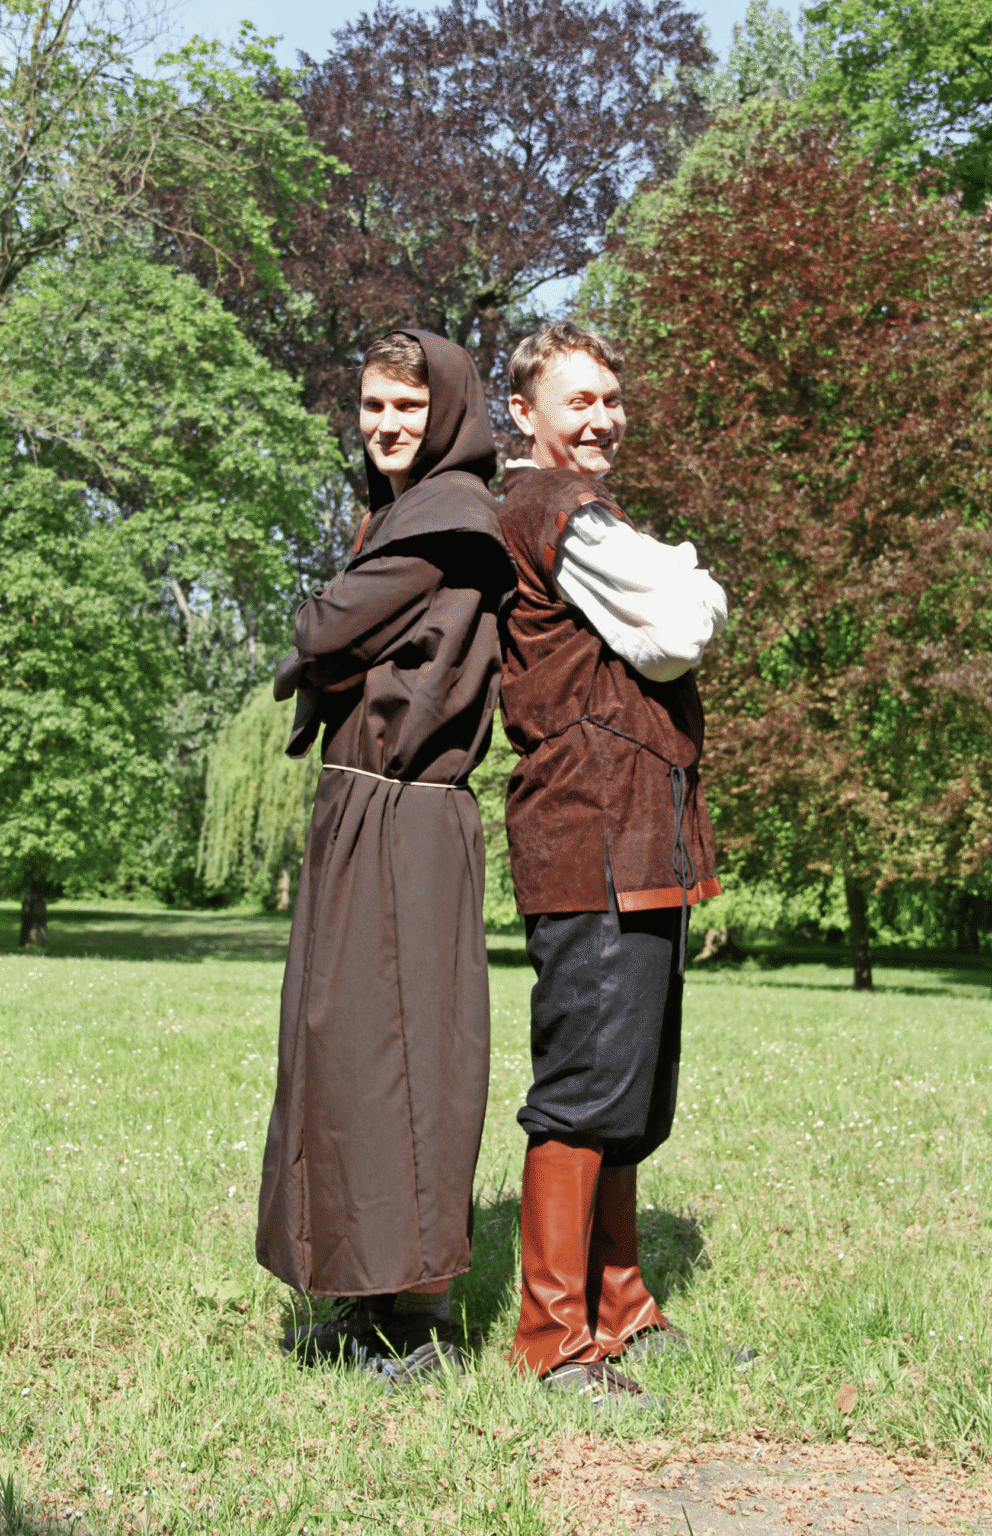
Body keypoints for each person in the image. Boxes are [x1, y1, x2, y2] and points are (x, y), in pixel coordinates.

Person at [257, 329, 515, 1386]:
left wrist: (321, 648)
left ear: (446, 411)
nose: (386, 425)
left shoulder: (449, 516)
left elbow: (324, 627)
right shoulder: (402, 516)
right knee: (347, 1050)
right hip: (364, 806)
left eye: (407, 406)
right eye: (372, 406)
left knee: (409, 1063)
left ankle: (422, 1321)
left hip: (407, 816)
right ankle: (362, 1299)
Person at [497, 321, 729, 1406]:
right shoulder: (556, 508)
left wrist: (680, 582)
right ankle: (552, 1340)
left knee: (630, 1088)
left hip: (633, 834)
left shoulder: (589, 511)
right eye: (577, 400)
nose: (601, 418)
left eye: (610, 398)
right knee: (586, 1087)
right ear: (524, 413)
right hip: (589, 833)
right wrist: (696, 580)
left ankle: (623, 1311)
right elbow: (678, 632)